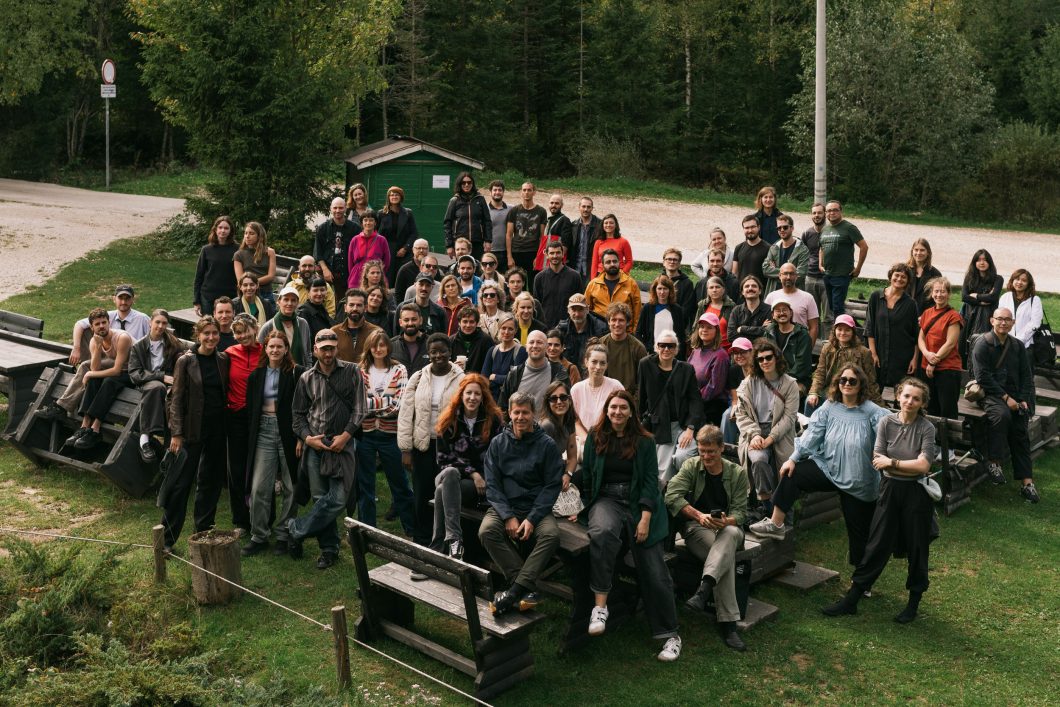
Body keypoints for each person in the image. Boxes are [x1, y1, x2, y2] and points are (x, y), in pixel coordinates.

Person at [749, 365, 890, 572]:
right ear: (837, 383)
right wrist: (794, 458)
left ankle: (862, 580)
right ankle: (776, 524)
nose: (847, 384)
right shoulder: (829, 407)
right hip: (829, 468)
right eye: (843, 380)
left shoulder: (872, 412)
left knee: (859, 532)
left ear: (861, 385)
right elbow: (812, 435)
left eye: (853, 381)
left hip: (858, 480)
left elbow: (893, 433)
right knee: (792, 472)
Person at [821, 377, 937, 622]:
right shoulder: (886, 422)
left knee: (917, 547)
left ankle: (913, 604)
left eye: (916, 398)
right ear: (898, 396)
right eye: (906, 396)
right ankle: (852, 600)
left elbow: (923, 465)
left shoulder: (926, 428)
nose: (910, 401)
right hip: (889, 490)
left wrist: (893, 463)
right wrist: (904, 465)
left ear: (922, 402)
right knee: (877, 544)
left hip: (916, 495)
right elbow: (877, 460)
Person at [580, 390, 682, 661]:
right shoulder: (595, 436)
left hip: (639, 504)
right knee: (602, 532)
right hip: (607, 499)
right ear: (607, 410)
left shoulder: (644, 441)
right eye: (613, 407)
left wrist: (645, 518)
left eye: (623, 408)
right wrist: (584, 506)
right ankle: (600, 607)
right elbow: (588, 474)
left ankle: (670, 634)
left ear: (631, 412)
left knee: (653, 568)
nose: (617, 412)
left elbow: (651, 480)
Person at [288, 329, 368, 569]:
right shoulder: (306, 378)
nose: (328, 353)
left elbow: (360, 408)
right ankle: (329, 549)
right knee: (320, 497)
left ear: (337, 348)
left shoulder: (352, 371)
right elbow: (298, 416)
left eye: (332, 348)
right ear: (315, 349)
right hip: (316, 445)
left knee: (338, 498)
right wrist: (307, 439)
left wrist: (346, 436)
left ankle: (296, 529)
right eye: (324, 348)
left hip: (342, 445)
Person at [666, 424, 750, 651]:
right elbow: (671, 494)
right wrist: (697, 515)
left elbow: (742, 512)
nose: (706, 456)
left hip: (727, 530)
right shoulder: (691, 466)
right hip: (697, 529)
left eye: (711, 451)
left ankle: (703, 592)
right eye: (702, 451)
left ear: (722, 448)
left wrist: (727, 521)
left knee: (731, 534)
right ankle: (729, 625)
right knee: (724, 557)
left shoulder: (737, 473)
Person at [479, 392, 563, 615]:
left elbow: (552, 486)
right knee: (487, 531)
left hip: (536, 507)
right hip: (505, 506)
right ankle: (525, 585)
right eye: (516, 412)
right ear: (509, 413)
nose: (521, 417)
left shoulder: (546, 445)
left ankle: (514, 591)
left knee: (551, 535)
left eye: (525, 412)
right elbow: (493, 484)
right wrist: (507, 516)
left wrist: (532, 519)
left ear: (533, 414)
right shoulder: (498, 443)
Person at [160, 316, 230, 553]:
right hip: (190, 432)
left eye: (215, 333)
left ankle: (204, 531)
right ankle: (167, 539)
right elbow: (176, 400)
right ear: (197, 335)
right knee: (181, 485)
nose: (211, 338)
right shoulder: (185, 361)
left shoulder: (222, 359)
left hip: (217, 430)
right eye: (206, 333)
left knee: (209, 484)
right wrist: (176, 434)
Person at [398, 333, 466, 546]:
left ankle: (446, 538)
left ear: (450, 352)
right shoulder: (418, 377)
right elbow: (406, 412)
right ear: (428, 353)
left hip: (450, 447)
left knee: (445, 494)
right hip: (424, 445)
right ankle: (422, 537)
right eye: (434, 352)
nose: (438, 355)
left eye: (443, 351)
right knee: (422, 492)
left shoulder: (461, 379)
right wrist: (406, 449)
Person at [242, 330, 304, 556]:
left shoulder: (296, 373)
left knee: (291, 486)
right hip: (264, 432)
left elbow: (303, 408)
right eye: (271, 346)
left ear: (286, 349)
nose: (275, 350)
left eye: (280, 346)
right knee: (259, 487)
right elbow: (250, 409)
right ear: (265, 349)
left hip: (289, 432)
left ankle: (284, 534)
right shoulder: (256, 376)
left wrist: (300, 436)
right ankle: (259, 535)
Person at [971, 308, 1039, 502]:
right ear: (992, 320)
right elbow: (981, 376)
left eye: (1007, 320)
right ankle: (994, 462)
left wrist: (1024, 398)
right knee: (1002, 416)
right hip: (991, 394)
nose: (1003, 323)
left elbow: (1027, 376)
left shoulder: (1017, 345)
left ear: (1013, 322)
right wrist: (1005, 397)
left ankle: (1027, 483)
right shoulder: (983, 344)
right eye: (999, 319)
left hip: (1016, 396)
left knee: (1021, 433)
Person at [433, 374, 504, 558]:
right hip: (452, 475)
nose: (473, 398)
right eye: (469, 393)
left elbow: (496, 456)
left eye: (477, 394)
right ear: (461, 394)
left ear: (483, 397)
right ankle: (455, 539)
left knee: (442, 492)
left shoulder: (493, 420)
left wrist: (481, 477)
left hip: (474, 487)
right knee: (449, 473)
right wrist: (473, 474)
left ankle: (438, 547)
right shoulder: (449, 419)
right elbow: (442, 459)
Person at [357, 329, 416, 532]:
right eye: (374, 345)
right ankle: (367, 531)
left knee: (399, 482)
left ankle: (412, 529)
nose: (379, 349)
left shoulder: (399, 370)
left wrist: (371, 407)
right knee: (365, 485)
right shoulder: (360, 370)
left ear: (388, 347)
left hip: (390, 435)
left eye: (382, 345)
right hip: (365, 435)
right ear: (369, 348)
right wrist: (383, 404)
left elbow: (399, 404)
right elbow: (357, 404)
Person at [734, 338, 800, 517]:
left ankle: (786, 508)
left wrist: (771, 438)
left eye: (768, 357)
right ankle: (767, 504)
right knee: (758, 459)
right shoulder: (749, 383)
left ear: (777, 357)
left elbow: (789, 418)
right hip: (754, 431)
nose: (765, 362)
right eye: (760, 359)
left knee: (786, 466)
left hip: (781, 432)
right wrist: (754, 435)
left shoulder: (790, 384)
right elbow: (741, 414)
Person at [60, 307, 134, 450]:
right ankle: (84, 426)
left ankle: (95, 429)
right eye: (97, 324)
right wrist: (98, 348)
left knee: (108, 381)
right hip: (118, 372)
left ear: (109, 322)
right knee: (94, 379)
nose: (101, 326)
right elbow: (95, 369)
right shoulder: (95, 341)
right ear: (92, 327)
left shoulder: (122, 338)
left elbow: (117, 370)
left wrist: (89, 374)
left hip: (133, 372)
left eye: (104, 322)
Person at [637, 330, 703, 484]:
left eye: (670, 346)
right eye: (662, 345)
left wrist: (691, 427)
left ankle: (683, 491)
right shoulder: (645, 364)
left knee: (683, 457)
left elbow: (695, 400)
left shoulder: (686, 369)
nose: (666, 349)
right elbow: (641, 398)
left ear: (676, 349)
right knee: (660, 471)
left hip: (683, 425)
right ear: (656, 347)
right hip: (659, 425)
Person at [128, 309, 185, 462]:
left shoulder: (173, 344)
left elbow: (183, 362)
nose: (160, 326)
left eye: (164, 323)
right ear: (150, 323)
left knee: (172, 397)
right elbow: (134, 374)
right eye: (157, 322)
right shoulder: (138, 346)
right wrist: (160, 376)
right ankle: (144, 440)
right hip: (146, 385)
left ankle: (169, 448)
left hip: (168, 386)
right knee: (156, 387)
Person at [225, 314, 263, 537]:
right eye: (238, 332)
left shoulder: (266, 352)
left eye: (246, 330)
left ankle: (261, 515)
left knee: (260, 469)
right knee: (236, 469)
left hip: (260, 418)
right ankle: (240, 519)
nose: (243, 336)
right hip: (235, 417)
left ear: (255, 328)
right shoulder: (229, 354)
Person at [808, 314, 881, 416]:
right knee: (810, 402)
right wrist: (813, 392)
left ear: (853, 332)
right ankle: (809, 429)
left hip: (851, 391)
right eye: (840, 329)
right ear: (835, 331)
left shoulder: (864, 352)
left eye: (847, 330)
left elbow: (870, 379)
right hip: (829, 390)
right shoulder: (827, 348)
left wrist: (879, 406)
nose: (843, 333)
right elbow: (820, 372)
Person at [866, 263, 920, 388]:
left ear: (907, 281)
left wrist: (914, 359)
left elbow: (916, 333)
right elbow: (870, 327)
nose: (899, 279)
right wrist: (873, 354)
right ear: (891, 276)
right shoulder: (876, 297)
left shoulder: (911, 304)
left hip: (901, 357)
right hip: (878, 354)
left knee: (901, 396)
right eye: (897, 275)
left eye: (904, 277)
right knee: (873, 392)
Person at [70, 284, 151, 365]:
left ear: (133, 299)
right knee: (85, 331)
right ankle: (89, 363)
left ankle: (91, 370)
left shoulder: (143, 319)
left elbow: (155, 339)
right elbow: (79, 324)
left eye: (127, 298)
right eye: (120, 298)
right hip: (110, 357)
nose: (123, 302)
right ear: (114, 299)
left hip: (132, 360)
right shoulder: (106, 317)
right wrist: (76, 348)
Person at [917, 277, 963, 419]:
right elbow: (921, 338)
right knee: (930, 408)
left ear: (949, 294)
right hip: (926, 368)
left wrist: (933, 361)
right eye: (936, 291)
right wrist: (926, 353)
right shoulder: (927, 313)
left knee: (947, 411)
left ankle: (948, 441)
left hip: (947, 369)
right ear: (931, 294)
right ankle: (932, 440)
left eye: (943, 291)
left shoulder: (953, 316)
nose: (939, 295)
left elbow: (950, 343)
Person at [499, 329, 570, 414]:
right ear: (526, 347)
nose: (535, 346)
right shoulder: (514, 374)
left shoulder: (559, 372)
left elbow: (567, 403)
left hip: (549, 426)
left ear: (547, 347)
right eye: (531, 342)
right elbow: (502, 408)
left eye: (539, 342)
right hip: (520, 425)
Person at [819, 201, 869, 319]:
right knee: (832, 307)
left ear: (841, 211)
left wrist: (858, 268)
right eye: (829, 210)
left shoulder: (849, 227)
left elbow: (864, 247)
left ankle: (841, 332)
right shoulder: (824, 229)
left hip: (842, 275)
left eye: (835, 210)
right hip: (827, 274)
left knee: (837, 307)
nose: (832, 213)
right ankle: (841, 329)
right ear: (826, 213)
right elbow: (821, 247)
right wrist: (820, 263)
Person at [315, 197, 361, 303]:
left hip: (347, 273)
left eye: (340, 208)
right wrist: (325, 269)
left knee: (343, 303)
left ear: (345, 209)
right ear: (331, 209)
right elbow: (318, 252)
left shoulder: (355, 229)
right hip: (326, 272)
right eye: (335, 208)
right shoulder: (322, 228)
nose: (337, 210)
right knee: (325, 301)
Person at [763, 297, 813, 394]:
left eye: (785, 310)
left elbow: (801, 366)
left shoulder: (802, 334)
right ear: (773, 315)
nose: (782, 313)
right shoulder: (768, 332)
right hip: (773, 377)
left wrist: (780, 381)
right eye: (778, 311)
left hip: (797, 380)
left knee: (787, 393)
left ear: (791, 313)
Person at [688, 313, 730, 426]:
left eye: (709, 327)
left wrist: (694, 400)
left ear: (716, 331)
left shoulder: (721, 355)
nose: (704, 330)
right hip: (694, 403)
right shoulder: (695, 351)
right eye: (702, 327)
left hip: (711, 408)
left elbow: (714, 387)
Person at [598, 303, 648, 398]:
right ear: (608, 322)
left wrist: (634, 403)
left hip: (629, 400)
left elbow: (644, 380)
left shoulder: (638, 348)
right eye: (613, 320)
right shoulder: (601, 345)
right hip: (604, 398)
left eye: (621, 320)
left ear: (628, 322)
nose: (617, 324)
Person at [584, 249, 642, 329]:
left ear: (619, 263)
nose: (612, 264)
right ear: (603, 265)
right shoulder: (593, 285)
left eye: (615, 261)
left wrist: (634, 332)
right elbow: (586, 311)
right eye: (608, 262)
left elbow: (637, 313)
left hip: (624, 332)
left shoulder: (631, 284)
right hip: (599, 332)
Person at [194, 215, 239, 316]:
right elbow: (199, 276)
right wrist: (196, 301)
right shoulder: (206, 250)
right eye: (220, 227)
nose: (223, 230)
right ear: (215, 229)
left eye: (226, 228)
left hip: (230, 296)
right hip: (208, 297)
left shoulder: (237, 250)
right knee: (209, 327)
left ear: (231, 231)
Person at [764, 262, 819, 345]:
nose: (788, 277)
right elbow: (766, 323)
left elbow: (814, 327)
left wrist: (808, 348)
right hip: (776, 345)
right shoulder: (771, 297)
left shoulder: (808, 297)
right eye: (785, 274)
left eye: (791, 274)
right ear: (780, 276)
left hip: (800, 344)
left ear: (796, 276)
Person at [506, 182, 548, 288]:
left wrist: (539, 257)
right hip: (517, 251)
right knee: (518, 283)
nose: (526, 192)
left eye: (529, 190)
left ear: (534, 192)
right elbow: (509, 235)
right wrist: (509, 256)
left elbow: (542, 236)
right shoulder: (514, 211)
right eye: (524, 190)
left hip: (533, 251)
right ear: (521, 192)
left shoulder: (541, 211)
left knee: (535, 283)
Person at [534, 241, 583, 329]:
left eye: (558, 253)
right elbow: (537, 305)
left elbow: (579, 303)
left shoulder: (575, 276)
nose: (555, 256)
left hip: (569, 326)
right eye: (552, 253)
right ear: (546, 254)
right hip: (546, 326)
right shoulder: (539, 278)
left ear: (563, 254)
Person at [556, 293, 607, 376]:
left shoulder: (600, 329)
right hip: (567, 376)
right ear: (568, 311)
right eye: (573, 310)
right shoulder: (561, 330)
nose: (577, 314)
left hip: (592, 376)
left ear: (587, 309)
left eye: (580, 310)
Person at [258, 286, 312, 366]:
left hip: (300, 373)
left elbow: (307, 352)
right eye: (286, 299)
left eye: (293, 300)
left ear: (297, 303)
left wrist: (308, 370)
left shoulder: (302, 323)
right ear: (279, 301)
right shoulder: (268, 326)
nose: (289, 303)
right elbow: (260, 354)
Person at [636, 275, 688, 355]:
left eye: (665, 289)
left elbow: (681, 334)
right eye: (659, 288)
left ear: (670, 290)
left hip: (671, 353)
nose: (662, 292)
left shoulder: (677, 309)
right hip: (653, 353)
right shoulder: (647, 308)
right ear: (655, 290)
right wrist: (646, 348)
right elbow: (639, 332)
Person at [444, 172, 491, 259]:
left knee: (477, 267)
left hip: (477, 243)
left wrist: (488, 241)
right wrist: (449, 245)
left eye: (469, 182)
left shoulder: (480, 199)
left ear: (472, 184)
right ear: (459, 184)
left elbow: (487, 221)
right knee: (462, 268)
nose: (466, 184)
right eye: (463, 182)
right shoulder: (454, 200)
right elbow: (447, 224)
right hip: (460, 244)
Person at [378, 186, 419, 282]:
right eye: (391, 195)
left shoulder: (408, 213)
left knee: (403, 277)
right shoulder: (381, 213)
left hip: (404, 251)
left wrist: (405, 248)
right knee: (387, 278)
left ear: (401, 197)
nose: (394, 197)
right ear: (388, 197)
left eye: (396, 195)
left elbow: (414, 233)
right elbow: (377, 234)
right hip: (387, 251)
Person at [482, 313, 527, 400]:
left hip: (511, 401)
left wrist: (495, 377)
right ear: (499, 329)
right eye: (503, 328)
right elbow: (484, 379)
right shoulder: (492, 351)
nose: (506, 332)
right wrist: (504, 378)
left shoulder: (521, 351)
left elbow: (516, 380)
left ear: (516, 330)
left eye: (510, 329)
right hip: (492, 401)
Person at [332, 288, 383, 365]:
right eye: (351, 305)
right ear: (345, 308)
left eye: (359, 305)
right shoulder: (334, 332)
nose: (355, 308)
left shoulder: (376, 332)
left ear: (365, 308)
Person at [719, 337, 754, 445]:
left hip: (758, 406)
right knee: (727, 415)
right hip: (741, 404)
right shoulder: (733, 370)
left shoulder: (759, 367)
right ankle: (726, 448)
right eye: (735, 353)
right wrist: (736, 409)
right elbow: (735, 399)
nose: (739, 356)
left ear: (751, 352)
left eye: (742, 352)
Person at [234, 221, 278, 306]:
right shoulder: (239, 254)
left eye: (251, 233)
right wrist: (251, 285)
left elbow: (271, 276)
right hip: (247, 293)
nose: (247, 236)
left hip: (265, 293)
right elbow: (240, 280)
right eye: (246, 233)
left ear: (259, 236)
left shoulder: (270, 252)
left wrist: (252, 283)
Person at [347, 210, 390, 294]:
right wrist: (353, 274)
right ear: (361, 223)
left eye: (371, 220)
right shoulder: (355, 239)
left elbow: (386, 262)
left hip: (375, 278)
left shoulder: (382, 240)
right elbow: (350, 262)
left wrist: (378, 274)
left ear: (375, 223)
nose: (368, 223)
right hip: (356, 278)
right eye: (365, 220)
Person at [761, 214, 808, 293]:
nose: (782, 230)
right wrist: (791, 273)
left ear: (792, 228)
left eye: (785, 227)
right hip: (775, 291)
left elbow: (801, 274)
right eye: (779, 228)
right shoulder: (773, 248)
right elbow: (765, 269)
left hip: (794, 293)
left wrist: (776, 271)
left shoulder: (803, 250)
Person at [999, 269, 1043, 349]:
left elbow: (1035, 323)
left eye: (1024, 280)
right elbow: (1000, 319)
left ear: (1028, 284)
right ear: (1012, 281)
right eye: (1017, 279)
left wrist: (1018, 341)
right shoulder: (1005, 297)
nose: (1019, 282)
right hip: (1005, 343)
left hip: (1026, 345)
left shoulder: (1035, 300)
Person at [801, 203, 830, 325]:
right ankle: (814, 343)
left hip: (827, 278)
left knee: (829, 315)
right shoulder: (807, 234)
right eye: (814, 213)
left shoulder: (831, 232)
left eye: (819, 213)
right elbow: (802, 254)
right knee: (812, 315)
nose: (817, 215)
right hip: (810, 278)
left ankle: (829, 342)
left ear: (825, 214)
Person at [288, 255, 337, 319]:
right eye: (304, 266)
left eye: (310, 266)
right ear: (299, 267)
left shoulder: (325, 286)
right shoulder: (291, 286)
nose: (307, 269)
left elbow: (331, 312)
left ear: (315, 267)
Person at [695, 276, 736, 350]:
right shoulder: (702, 305)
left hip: (726, 349)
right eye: (711, 287)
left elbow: (734, 330)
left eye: (717, 287)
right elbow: (696, 327)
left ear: (723, 289)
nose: (714, 290)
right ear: (707, 290)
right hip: (706, 348)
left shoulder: (731, 306)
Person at [391, 304, 431, 376]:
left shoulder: (431, 343)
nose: (410, 323)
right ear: (400, 322)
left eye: (414, 319)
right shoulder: (391, 345)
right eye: (406, 320)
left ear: (421, 320)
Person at [450, 306, 492, 374]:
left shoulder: (486, 340)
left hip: (478, 381)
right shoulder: (451, 341)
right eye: (465, 321)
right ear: (459, 323)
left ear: (477, 323)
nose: (468, 325)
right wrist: (453, 367)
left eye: (471, 322)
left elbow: (490, 367)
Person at [727, 275, 771, 341]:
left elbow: (768, 333)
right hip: (741, 350)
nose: (750, 288)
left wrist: (743, 329)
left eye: (754, 286)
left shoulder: (769, 310)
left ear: (760, 291)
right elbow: (731, 336)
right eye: (747, 286)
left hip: (761, 350)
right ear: (742, 292)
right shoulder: (736, 310)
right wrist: (760, 329)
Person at [590, 214, 633, 279]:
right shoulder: (598, 242)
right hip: (601, 275)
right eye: (606, 223)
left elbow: (629, 261)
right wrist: (593, 279)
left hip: (618, 274)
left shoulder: (623, 242)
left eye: (611, 223)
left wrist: (622, 274)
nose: (608, 225)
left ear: (616, 225)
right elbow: (594, 263)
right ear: (602, 225)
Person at [660, 247, 697, 320]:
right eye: (669, 259)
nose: (672, 262)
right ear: (664, 262)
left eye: (675, 259)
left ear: (679, 263)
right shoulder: (659, 280)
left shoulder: (687, 283)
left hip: (677, 323)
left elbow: (686, 309)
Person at [732, 214, 770, 286]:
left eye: (753, 227)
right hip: (742, 292)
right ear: (743, 229)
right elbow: (735, 273)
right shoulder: (738, 248)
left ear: (759, 227)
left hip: (760, 292)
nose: (750, 230)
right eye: (747, 228)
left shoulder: (768, 248)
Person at [571, 197, 602, 280]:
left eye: (588, 207)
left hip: (591, 268)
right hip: (575, 267)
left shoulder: (600, 225)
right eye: (583, 206)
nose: (586, 209)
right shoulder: (573, 225)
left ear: (592, 208)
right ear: (579, 207)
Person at [906, 238, 941, 313]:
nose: (918, 253)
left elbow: (937, 298)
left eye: (922, 250)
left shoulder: (935, 274)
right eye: (916, 250)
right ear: (912, 251)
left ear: (928, 252)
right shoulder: (905, 270)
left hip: (924, 315)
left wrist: (926, 315)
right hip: (904, 312)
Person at [487, 180, 511, 264]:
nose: (497, 192)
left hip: (505, 252)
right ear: (490, 192)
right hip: (488, 252)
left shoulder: (511, 209)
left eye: (500, 190)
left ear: (503, 192)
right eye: (495, 190)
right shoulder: (484, 210)